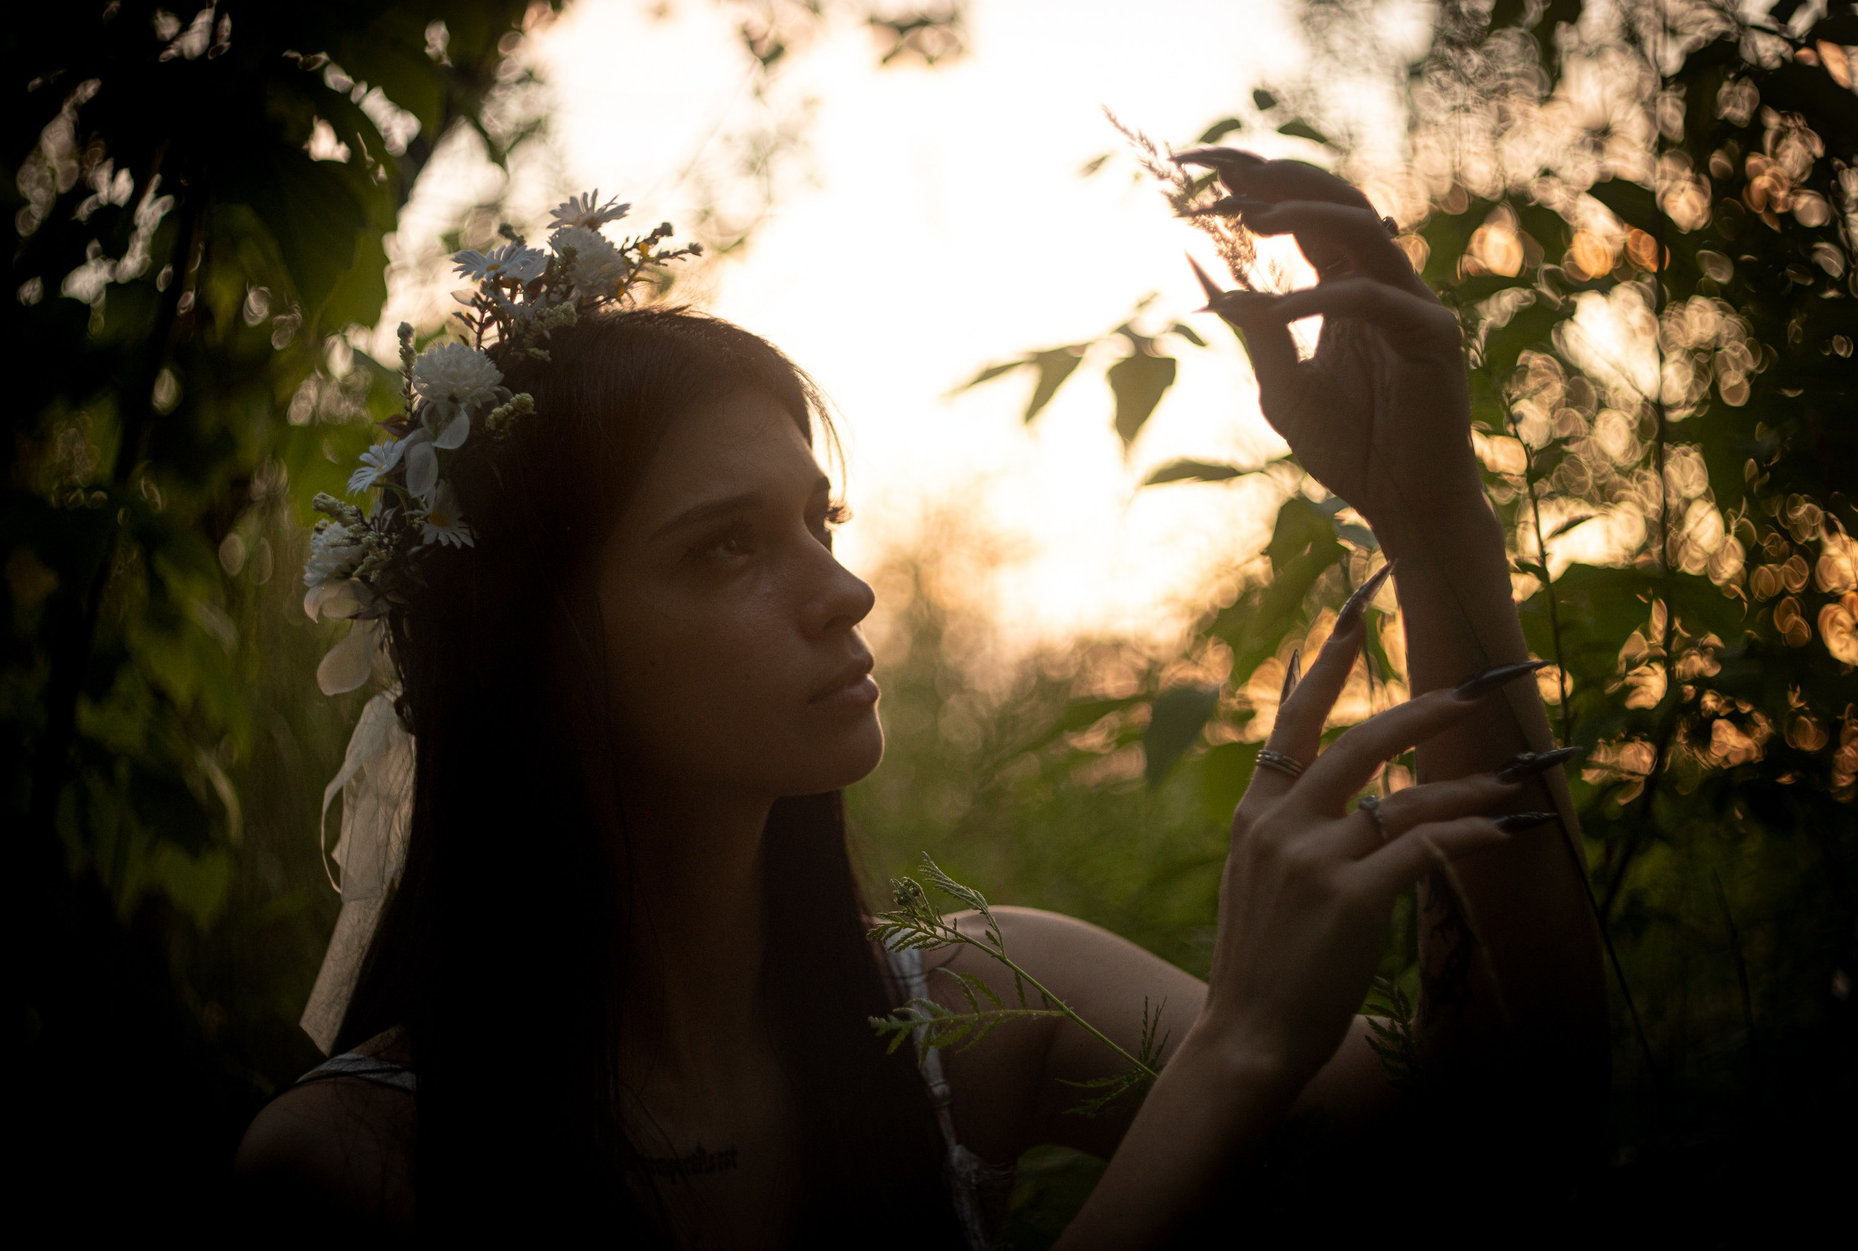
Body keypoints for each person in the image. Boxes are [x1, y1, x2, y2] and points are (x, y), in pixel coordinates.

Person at [234, 158, 1604, 1246]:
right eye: (726, 546)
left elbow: (1504, 1117)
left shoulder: (970, 1005)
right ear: (539, 646)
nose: (847, 593)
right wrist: (1235, 1049)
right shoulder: (353, 1167)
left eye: (820, 522)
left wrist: (1434, 522)